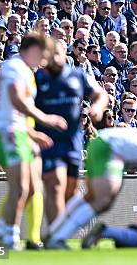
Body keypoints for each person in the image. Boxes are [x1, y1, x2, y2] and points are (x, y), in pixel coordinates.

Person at [44, 127, 137, 249]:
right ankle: (58, 238)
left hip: (104, 141)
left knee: (91, 197)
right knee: (103, 200)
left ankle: (54, 232)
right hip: (111, 147)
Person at [0, 33, 67, 250]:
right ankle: (10, 237)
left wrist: (32, 133)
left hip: (19, 131)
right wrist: (45, 119)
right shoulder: (15, 67)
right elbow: (16, 98)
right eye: (44, 54)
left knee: (31, 188)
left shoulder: (24, 70)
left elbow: (16, 110)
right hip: (7, 132)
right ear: (34, 49)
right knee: (21, 188)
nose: (45, 60)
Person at [35, 40, 107, 225]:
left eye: (58, 54)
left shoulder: (77, 76)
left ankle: (61, 230)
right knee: (55, 186)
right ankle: (56, 235)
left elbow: (100, 94)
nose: (55, 59)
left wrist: (97, 108)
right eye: (51, 55)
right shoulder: (38, 79)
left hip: (73, 142)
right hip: (48, 142)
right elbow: (22, 107)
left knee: (70, 191)